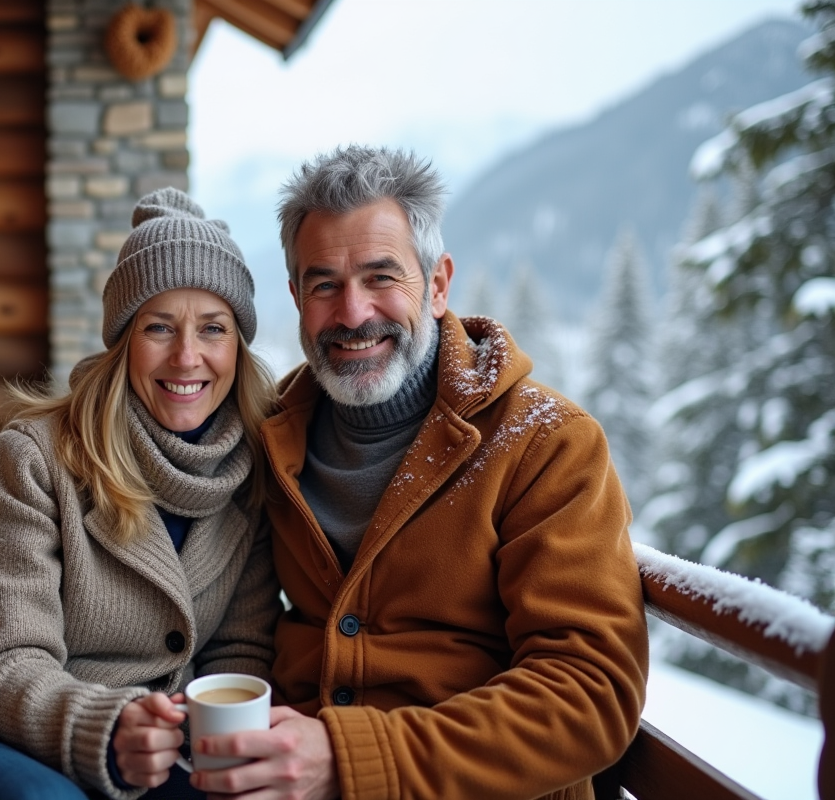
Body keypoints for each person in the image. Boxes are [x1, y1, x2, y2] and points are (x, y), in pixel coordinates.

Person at [186, 146, 650, 800]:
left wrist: (351, 761)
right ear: (296, 296)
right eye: (325, 284)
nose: (352, 314)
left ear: (436, 285)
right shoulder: (272, 435)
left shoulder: (545, 444)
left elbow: (589, 693)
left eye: (381, 277)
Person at [0, 187, 282, 800]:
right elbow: (5, 659)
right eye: (159, 327)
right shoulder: (35, 458)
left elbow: (241, 650)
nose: (188, 357)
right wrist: (107, 730)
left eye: (212, 329)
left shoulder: (252, 473)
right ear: (122, 341)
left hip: (148, 750)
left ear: (237, 348)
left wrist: (191, 735)